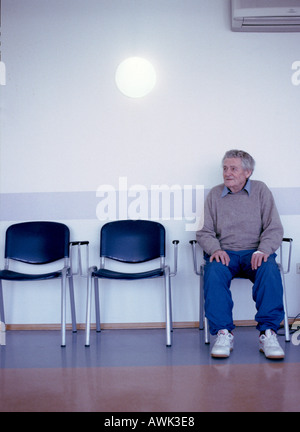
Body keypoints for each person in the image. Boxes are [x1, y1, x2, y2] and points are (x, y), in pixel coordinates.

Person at [196, 149, 285, 359]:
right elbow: (204, 231)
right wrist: (215, 249)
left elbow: (274, 228)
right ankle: (223, 333)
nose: (227, 173)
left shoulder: (261, 191)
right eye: (225, 168)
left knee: (269, 270)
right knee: (214, 270)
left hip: (255, 253)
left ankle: (268, 333)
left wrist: (263, 250)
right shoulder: (215, 194)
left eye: (233, 168)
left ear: (248, 172)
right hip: (225, 253)